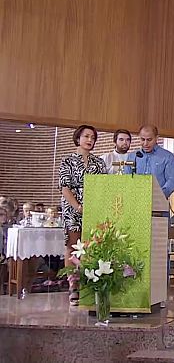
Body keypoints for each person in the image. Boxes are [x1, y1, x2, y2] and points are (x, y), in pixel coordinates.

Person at [59, 124, 107, 305]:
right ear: (78, 138)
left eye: (92, 138)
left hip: (94, 208)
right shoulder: (67, 161)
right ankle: (73, 287)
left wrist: (95, 207)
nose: (89, 140)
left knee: (91, 246)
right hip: (73, 208)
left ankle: (90, 284)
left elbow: (104, 188)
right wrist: (79, 207)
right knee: (73, 246)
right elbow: (65, 188)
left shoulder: (99, 163)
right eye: (86, 136)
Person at [126, 125, 174, 198]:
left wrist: (159, 195)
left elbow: (172, 181)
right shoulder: (132, 156)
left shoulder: (167, 157)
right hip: (136, 201)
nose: (145, 143)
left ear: (156, 138)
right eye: (142, 139)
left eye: (149, 140)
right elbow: (126, 179)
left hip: (158, 202)